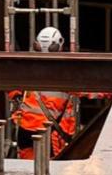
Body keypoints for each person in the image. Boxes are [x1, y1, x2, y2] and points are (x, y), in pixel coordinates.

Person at [9, 26, 75, 157]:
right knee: (49, 172)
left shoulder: (28, 68)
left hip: (25, 131)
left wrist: (16, 97)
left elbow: (10, 86)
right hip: (51, 134)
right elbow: (91, 89)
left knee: (27, 170)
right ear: (59, 45)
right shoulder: (66, 73)